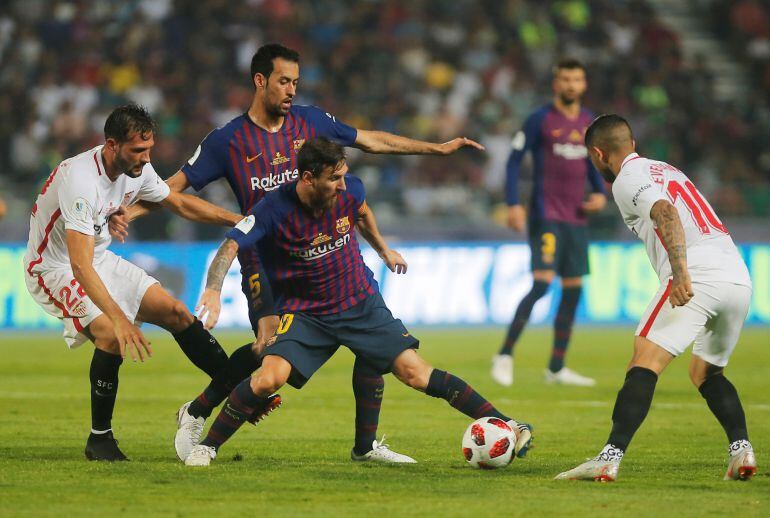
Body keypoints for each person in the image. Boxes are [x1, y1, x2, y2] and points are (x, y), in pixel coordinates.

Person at [110, 43, 485, 462]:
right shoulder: (227, 140)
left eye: (295, 82)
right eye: (284, 81)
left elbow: (371, 141)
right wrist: (131, 211)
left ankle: (365, 446)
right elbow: (173, 186)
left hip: (318, 260)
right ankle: (197, 411)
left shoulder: (310, 121)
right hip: (263, 263)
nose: (291, 90)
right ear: (260, 81)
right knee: (265, 348)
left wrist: (436, 149)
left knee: (367, 342)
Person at [179, 138, 532, 466]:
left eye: (344, 176)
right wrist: (212, 287)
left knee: (415, 373)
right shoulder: (273, 209)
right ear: (307, 178)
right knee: (270, 377)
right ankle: (207, 447)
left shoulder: (350, 191)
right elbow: (230, 246)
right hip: (306, 312)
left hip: (359, 300)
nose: (344, 185)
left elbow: (362, 212)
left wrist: (382, 249)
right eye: (334, 179)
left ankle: (509, 424)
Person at [23, 104, 274, 461]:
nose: (145, 158)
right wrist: (121, 319)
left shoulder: (136, 170)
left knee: (175, 311)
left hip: (98, 257)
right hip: (53, 267)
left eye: (149, 149)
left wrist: (242, 221)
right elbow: (79, 265)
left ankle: (236, 391)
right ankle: (100, 439)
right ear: (112, 145)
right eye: (138, 151)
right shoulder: (80, 180)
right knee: (111, 333)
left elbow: (179, 203)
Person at [555, 114, 756, 482]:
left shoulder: (627, 179)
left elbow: (665, 211)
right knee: (706, 372)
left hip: (698, 274)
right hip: (738, 276)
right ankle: (741, 451)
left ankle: (608, 457)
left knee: (644, 361)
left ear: (599, 153)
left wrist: (680, 273)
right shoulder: (666, 169)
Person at [491, 58, 607, 387]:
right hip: (546, 213)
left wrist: (600, 193)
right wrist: (513, 203)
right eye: (565, 79)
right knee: (541, 284)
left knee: (573, 291)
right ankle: (504, 354)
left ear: (583, 85)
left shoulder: (589, 122)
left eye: (577, 79)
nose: (571, 85)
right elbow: (514, 161)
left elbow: (594, 164)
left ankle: (556, 367)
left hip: (577, 217)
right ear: (556, 84)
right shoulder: (539, 119)